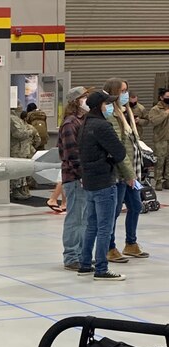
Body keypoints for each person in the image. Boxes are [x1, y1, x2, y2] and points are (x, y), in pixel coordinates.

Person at [77, 90, 129, 281]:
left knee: (91, 225)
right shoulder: (102, 126)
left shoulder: (85, 124)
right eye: (108, 104)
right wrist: (108, 157)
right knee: (105, 227)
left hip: (90, 181)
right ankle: (101, 268)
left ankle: (84, 263)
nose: (110, 107)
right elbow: (120, 152)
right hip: (104, 181)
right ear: (100, 105)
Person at [103, 78, 149, 261]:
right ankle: (109, 246)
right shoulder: (111, 116)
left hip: (133, 173)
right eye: (122, 91)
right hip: (120, 174)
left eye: (127, 91)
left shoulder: (127, 113)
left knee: (136, 206)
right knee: (113, 212)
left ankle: (131, 243)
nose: (126, 95)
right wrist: (128, 174)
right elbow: (118, 148)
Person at [58, 86, 89, 270]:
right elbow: (72, 153)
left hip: (82, 178)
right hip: (75, 178)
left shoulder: (82, 121)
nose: (88, 99)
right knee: (75, 219)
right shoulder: (70, 123)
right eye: (85, 97)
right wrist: (82, 174)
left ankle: (80, 253)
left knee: (83, 219)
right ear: (76, 101)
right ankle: (71, 256)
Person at [10, 103, 41, 201]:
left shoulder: (18, 119)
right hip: (16, 149)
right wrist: (30, 132)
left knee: (22, 171)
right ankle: (16, 190)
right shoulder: (12, 119)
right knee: (17, 171)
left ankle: (21, 189)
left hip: (23, 149)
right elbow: (19, 133)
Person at [148, 86, 169, 190]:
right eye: (167, 96)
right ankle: (158, 181)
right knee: (160, 161)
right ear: (161, 97)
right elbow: (153, 121)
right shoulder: (155, 109)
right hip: (160, 139)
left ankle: (167, 180)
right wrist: (165, 113)